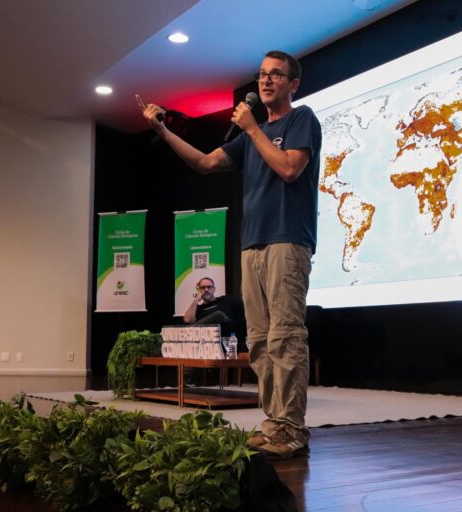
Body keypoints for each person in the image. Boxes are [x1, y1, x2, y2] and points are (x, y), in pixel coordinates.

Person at [137, 50, 321, 459]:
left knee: (285, 336)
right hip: (252, 245)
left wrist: (253, 128)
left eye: (276, 74)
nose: (266, 80)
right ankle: (274, 423)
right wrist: (162, 131)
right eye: (262, 74)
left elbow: (290, 168)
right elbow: (205, 163)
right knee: (259, 340)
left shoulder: (301, 119)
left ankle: (292, 428)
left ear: (293, 84)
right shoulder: (249, 137)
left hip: (287, 240)